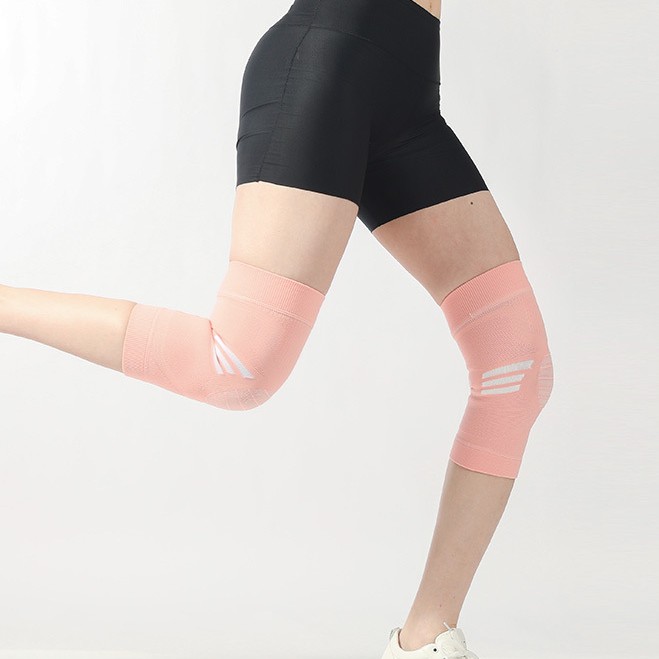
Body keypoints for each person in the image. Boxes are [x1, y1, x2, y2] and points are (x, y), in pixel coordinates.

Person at [0, 0, 554, 657]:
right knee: (235, 366)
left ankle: (424, 639)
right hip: (327, 59)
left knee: (514, 362)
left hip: (407, 84)